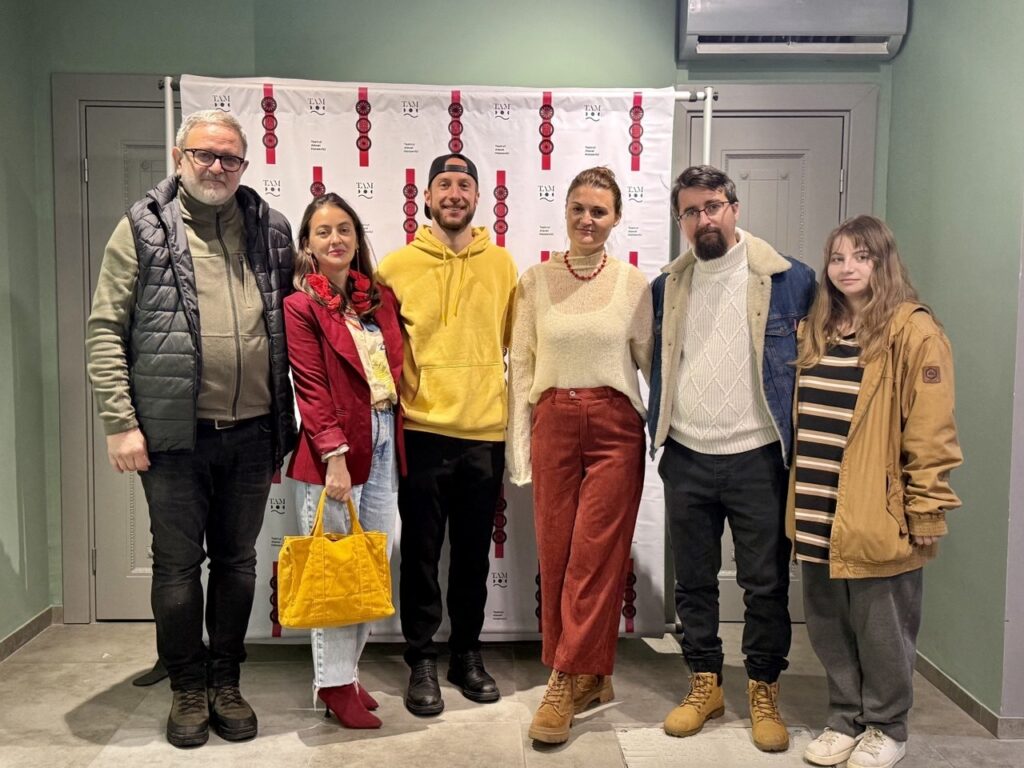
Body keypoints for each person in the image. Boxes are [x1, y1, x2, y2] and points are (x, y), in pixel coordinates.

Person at [85, 110, 297, 748]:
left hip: (254, 433)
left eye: (230, 157)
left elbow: (295, 319)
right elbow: (105, 329)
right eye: (204, 154)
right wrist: (120, 422)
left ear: (243, 165)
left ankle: (225, 681)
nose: (216, 167)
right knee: (177, 567)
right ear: (179, 158)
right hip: (175, 437)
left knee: (237, 563)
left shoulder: (271, 229)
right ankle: (186, 685)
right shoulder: (141, 227)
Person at [648, 165, 816, 752]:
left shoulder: (791, 279)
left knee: (764, 583)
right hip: (688, 454)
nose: (704, 219)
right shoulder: (667, 286)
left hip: (759, 457)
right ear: (681, 221)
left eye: (713, 206)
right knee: (693, 582)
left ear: (735, 208)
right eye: (691, 211)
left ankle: (764, 688)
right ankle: (706, 684)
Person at [791, 216, 961, 768]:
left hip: (877, 508)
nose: (847, 268)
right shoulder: (817, 328)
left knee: (882, 627)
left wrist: (926, 509)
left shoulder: (914, 333)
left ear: (882, 262)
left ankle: (887, 726)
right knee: (828, 623)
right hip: (816, 502)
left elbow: (932, 432)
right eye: (838, 258)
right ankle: (844, 718)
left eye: (861, 257)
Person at [507, 167, 653, 744]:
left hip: (615, 427)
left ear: (616, 218)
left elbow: (653, 364)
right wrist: (520, 450)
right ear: (565, 211)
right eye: (578, 208)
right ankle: (591, 675)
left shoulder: (634, 285)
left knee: (595, 557)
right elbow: (522, 368)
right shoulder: (535, 282)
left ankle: (563, 680)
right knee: (557, 554)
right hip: (554, 423)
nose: (587, 220)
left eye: (599, 211)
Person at [376, 153, 517, 716]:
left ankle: (466, 653)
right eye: (444, 184)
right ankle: (421, 658)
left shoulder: (502, 265)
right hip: (422, 430)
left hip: (485, 432)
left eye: (464, 185)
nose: (454, 193)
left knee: (472, 556)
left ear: (478, 197)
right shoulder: (395, 267)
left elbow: (515, 344)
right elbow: (383, 351)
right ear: (427, 197)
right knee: (420, 553)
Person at [284, 193, 404, 729]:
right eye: (323, 231)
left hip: (384, 436)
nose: (335, 239)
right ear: (307, 244)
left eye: (344, 230)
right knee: (336, 572)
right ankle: (332, 685)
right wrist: (333, 455)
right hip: (335, 448)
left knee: (368, 564)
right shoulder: (301, 306)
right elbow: (310, 387)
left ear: (357, 238)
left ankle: (348, 674)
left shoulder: (376, 300)